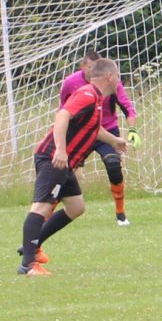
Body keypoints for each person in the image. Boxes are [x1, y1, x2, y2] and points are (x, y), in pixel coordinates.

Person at [19, 58, 123, 276]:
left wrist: (114, 141)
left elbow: (93, 129)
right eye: (118, 77)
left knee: (76, 207)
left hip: (66, 163)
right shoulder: (87, 95)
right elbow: (62, 115)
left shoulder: (96, 98)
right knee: (41, 207)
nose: (119, 82)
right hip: (54, 158)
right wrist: (60, 149)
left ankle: (33, 245)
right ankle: (28, 264)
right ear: (110, 76)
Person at [59, 53, 137, 224]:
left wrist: (132, 129)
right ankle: (47, 212)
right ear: (82, 67)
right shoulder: (71, 83)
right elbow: (63, 109)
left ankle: (121, 213)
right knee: (65, 173)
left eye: (96, 67)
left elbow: (127, 107)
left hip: (107, 132)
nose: (93, 71)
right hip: (81, 132)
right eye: (90, 67)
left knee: (113, 165)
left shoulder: (111, 82)